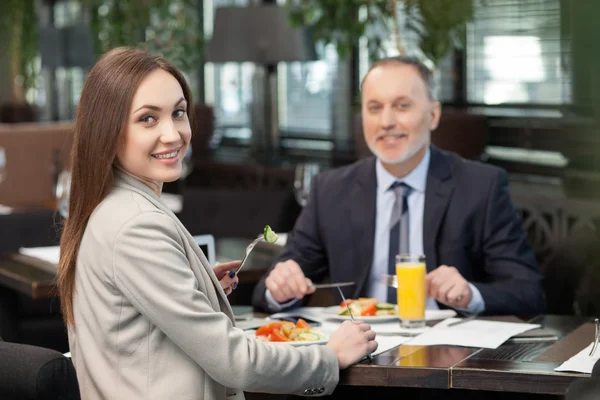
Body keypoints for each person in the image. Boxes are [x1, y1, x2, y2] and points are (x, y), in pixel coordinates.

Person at [56, 46, 377, 400]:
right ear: (107, 130)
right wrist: (329, 357)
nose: (174, 134)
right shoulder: (136, 225)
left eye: (178, 113)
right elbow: (234, 360)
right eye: (148, 118)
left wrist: (199, 284)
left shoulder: (112, 208)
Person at [252, 55, 546, 317]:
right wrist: (279, 288)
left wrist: (469, 293)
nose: (387, 121)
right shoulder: (331, 190)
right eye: (374, 107)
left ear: (433, 115)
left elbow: (528, 292)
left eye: (402, 106)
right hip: (359, 356)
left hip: (449, 358)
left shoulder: (481, 187)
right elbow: (269, 287)